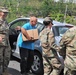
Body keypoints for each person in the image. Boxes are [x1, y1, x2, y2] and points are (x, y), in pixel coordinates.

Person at [0, 7, 11, 75]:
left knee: (6, 57)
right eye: (4, 12)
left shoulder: (5, 21)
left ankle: (5, 71)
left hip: (6, 42)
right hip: (0, 42)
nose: (5, 14)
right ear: (0, 12)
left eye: (6, 12)